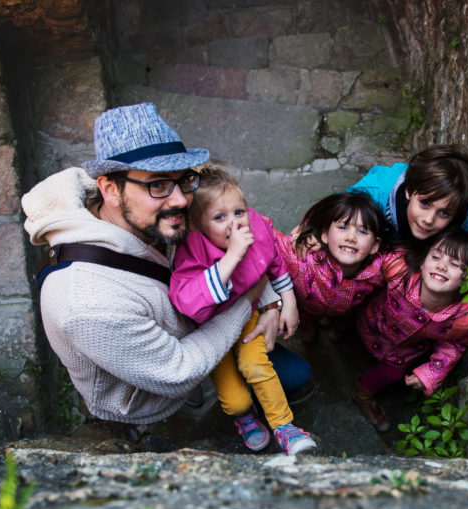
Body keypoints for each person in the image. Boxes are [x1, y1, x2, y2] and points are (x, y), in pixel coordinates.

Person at [22, 102, 302, 431]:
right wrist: (251, 297)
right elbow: (180, 371)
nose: (182, 200)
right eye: (157, 184)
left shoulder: (151, 216)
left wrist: (271, 301)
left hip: (203, 318)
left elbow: (234, 244)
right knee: (230, 401)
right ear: (110, 190)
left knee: (297, 375)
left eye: (183, 179)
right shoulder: (87, 303)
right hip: (149, 396)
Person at [170, 167, 316, 455]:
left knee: (256, 366)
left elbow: (272, 260)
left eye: (239, 211)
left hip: (247, 315)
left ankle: (284, 427)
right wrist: (233, 255)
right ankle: (244, 417)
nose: (235, 223)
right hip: (212, 331)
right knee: (235, 400)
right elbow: (190, 302)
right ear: (197, 225)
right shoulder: (191, 249)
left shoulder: (255, 226)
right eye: (220, 217)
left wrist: (288, 300)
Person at [353, 229, 468, 432]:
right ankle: (338, 328)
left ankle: (362, 394)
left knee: (392, 374)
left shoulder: (464, 317)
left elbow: (455, 344)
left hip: (403, 352)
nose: (442, 266)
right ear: (423, 260)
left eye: (454, 264)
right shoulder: (398, 270)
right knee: (347, 315)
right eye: (436, 256)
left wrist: (431, 372)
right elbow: (365, 272)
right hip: (370, 322)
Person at [273, 192, 390, 344]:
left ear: (375, 245)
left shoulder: (381, 270)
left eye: (362, 231)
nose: (351, 237)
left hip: (347, 309)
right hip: (308, 308)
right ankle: (307, 327)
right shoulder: (304, 258)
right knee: (307, 319)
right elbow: (268, 239)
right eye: (342, 227)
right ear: (325, 235)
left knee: (346, 317)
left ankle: (341, 325)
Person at [347, 143, 468, 240]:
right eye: (425, 204)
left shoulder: (461, 221)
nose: (428, 219)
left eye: (444, 213)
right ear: (409, 190)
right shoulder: (373, 195)